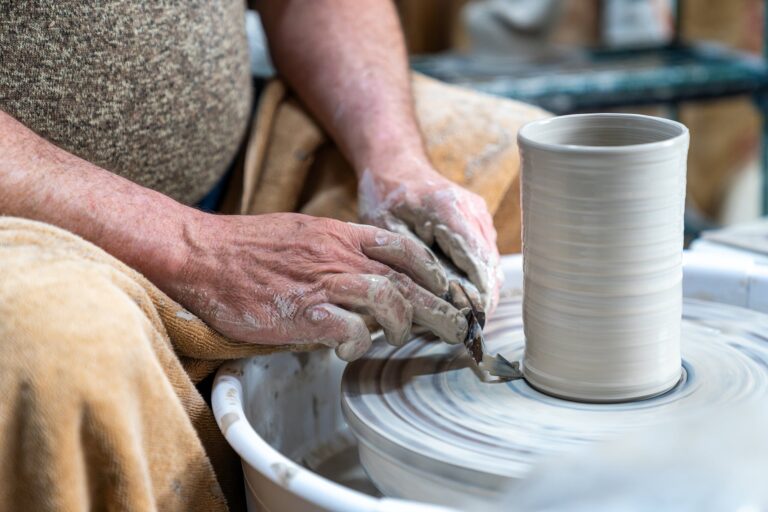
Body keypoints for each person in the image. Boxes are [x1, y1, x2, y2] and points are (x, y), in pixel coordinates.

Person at [0, 1, 543, 510]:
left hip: (241, 157)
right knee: (53, 348)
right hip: (31, 209)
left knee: (523, 177)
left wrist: (395, 163)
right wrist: (191, 247)